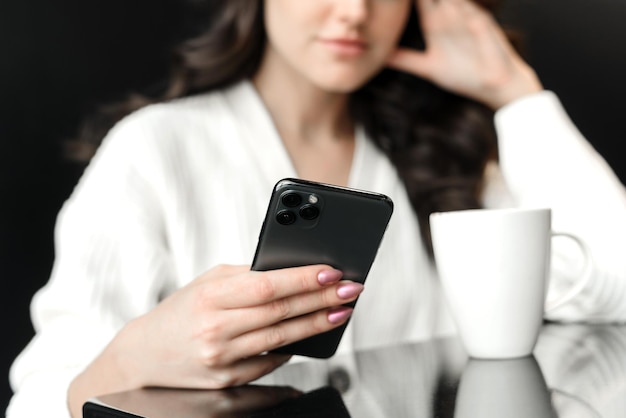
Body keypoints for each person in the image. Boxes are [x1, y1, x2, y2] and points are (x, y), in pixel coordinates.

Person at [7, 0, 626, 417]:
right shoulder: (155, 149)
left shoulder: (446, 154)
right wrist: (129, 360)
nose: (355, 12)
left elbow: (615, 281)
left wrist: (512, 89)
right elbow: (35, 400)